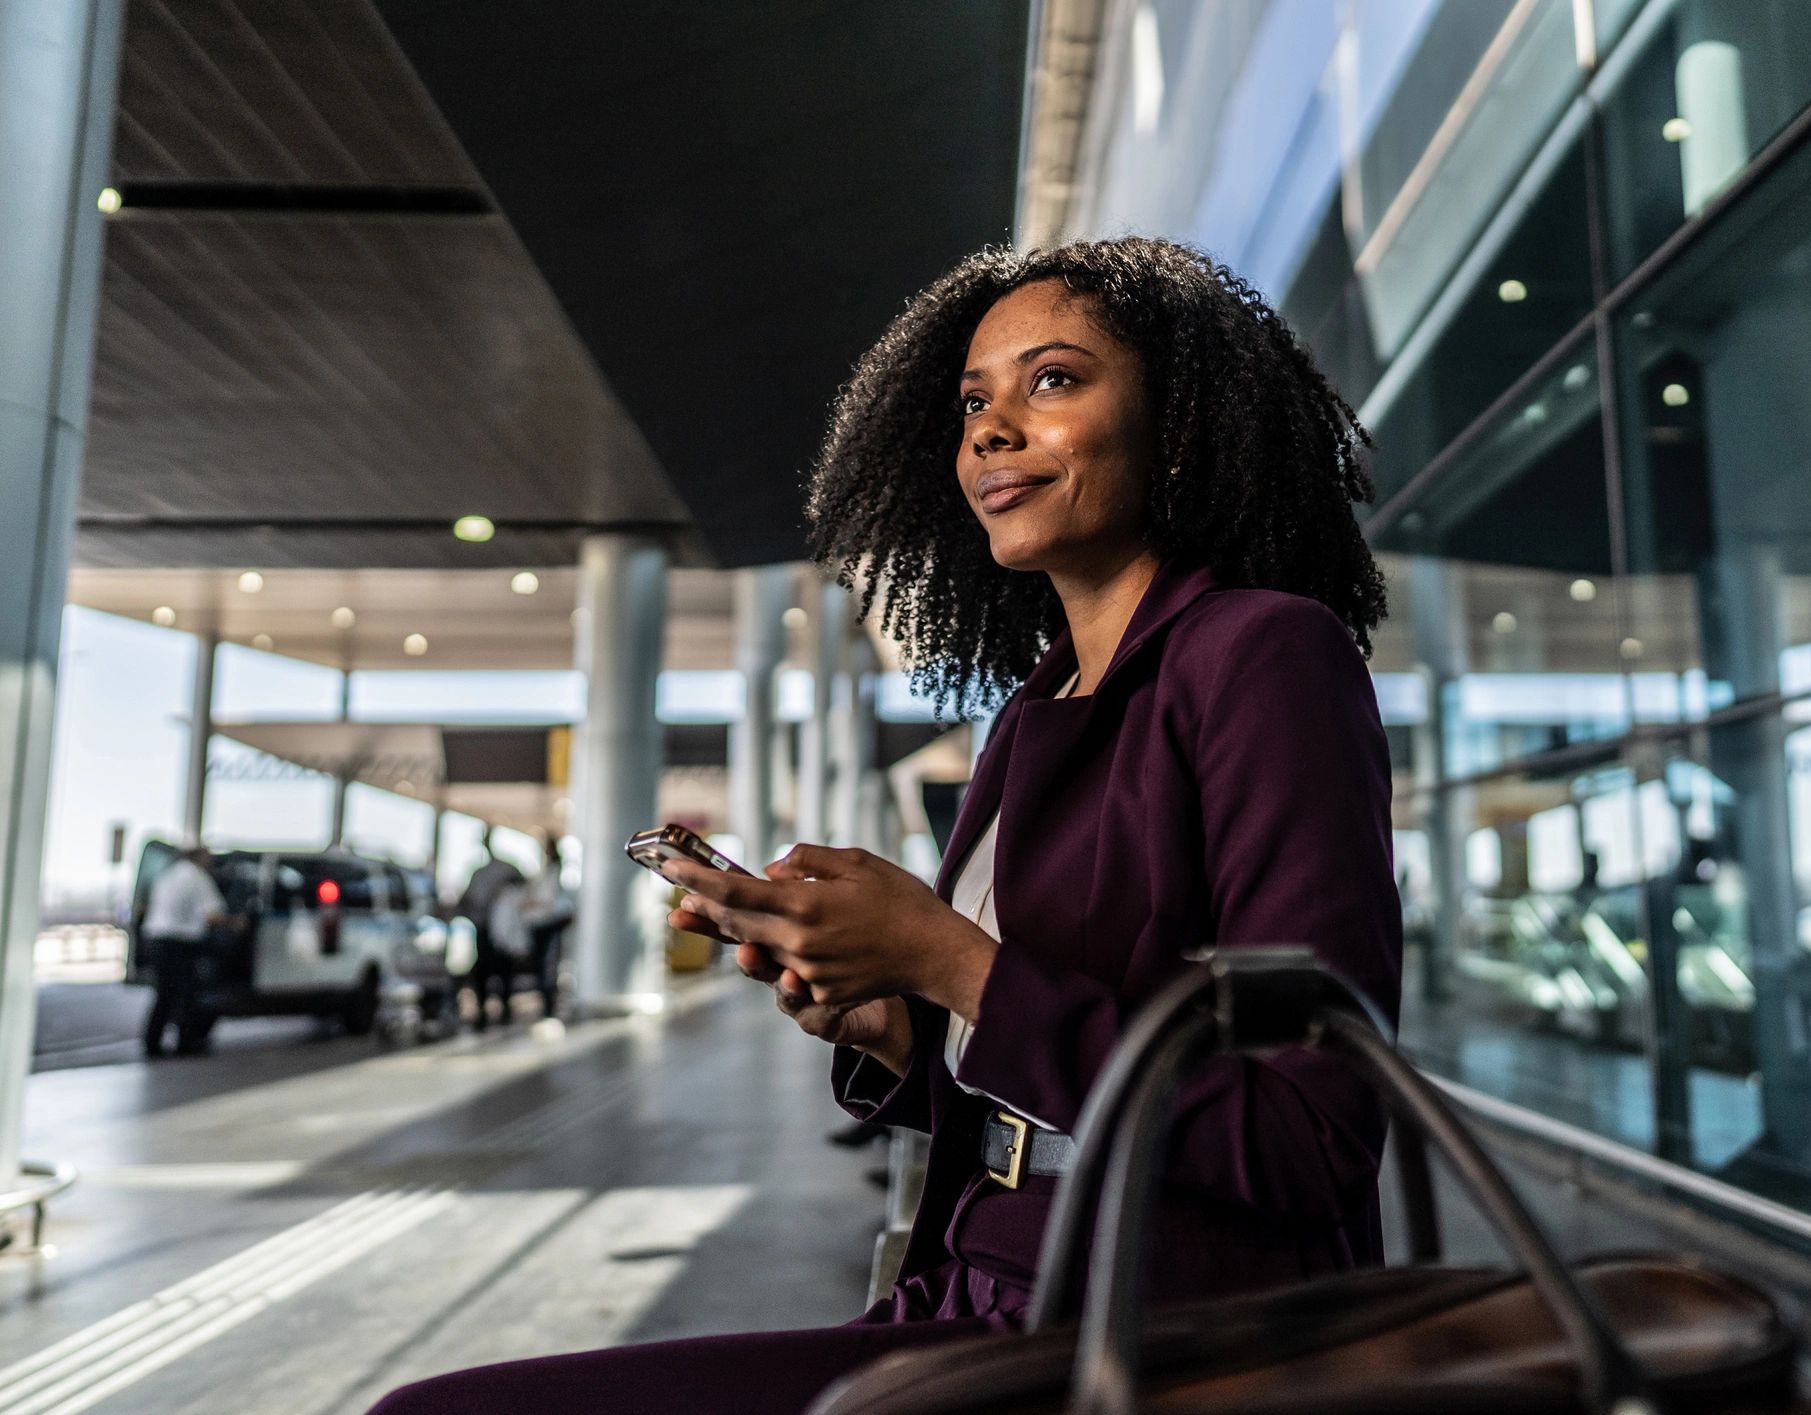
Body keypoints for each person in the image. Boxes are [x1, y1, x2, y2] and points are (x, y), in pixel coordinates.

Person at [373, 237, 1402, 1413]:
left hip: (1161, 1326)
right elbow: (1028, 1077)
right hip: (979, 1287)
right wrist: (892, 1025)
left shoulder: (1262, 654)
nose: (990, 430)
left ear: (1181, 418)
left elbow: (1310, 1134)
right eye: (974, 400)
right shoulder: (1031, 711)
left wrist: (948, 958)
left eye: (1053, 380)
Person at [140, 846, 226, 1058]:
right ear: (200, 858)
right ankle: (185, 1043)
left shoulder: (167, 875)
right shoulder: (198, 878)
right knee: (187, 994)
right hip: (181, 943)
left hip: (156, 939)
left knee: (164, 994)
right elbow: (212, 916)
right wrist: (236, 923)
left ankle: (152, 1043)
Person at [456, 829, 524, 1030]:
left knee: (501, 969)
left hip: (499, 930)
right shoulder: (481, 872)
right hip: (484, 928)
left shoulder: (502, 870)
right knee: (485, 970)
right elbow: (467, 899)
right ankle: (487, 1009)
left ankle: (501, 1008)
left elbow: (520, 886)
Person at [522, 835, 574, 1020]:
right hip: (542, 924)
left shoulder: (554, 873)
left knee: (548, 966)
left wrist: (532, 904)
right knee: (545, 966)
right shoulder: (548, 873)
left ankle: (549, 1006)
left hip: (548, 924)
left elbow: (548, 901)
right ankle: (547, 1004)